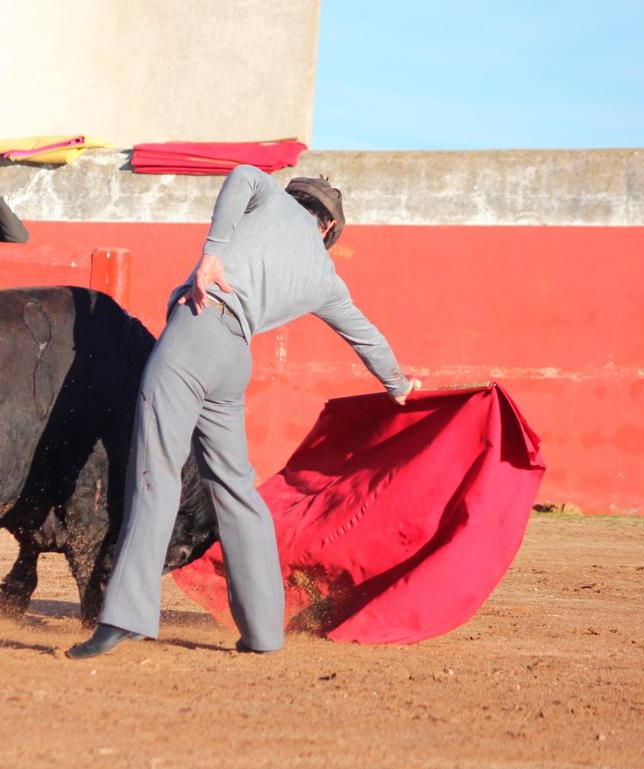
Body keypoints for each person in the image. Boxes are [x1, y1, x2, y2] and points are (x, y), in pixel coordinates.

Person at [66, 165, 416, 659]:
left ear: (300, 201)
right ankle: (264, 632)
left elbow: (246, 174)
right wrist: (398, 385)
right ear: (330, 228)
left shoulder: (273, 200)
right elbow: (366, 335)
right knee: (236, 491)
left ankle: (126, 615)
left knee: (156, 470)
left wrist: (212, 254)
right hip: (234, 361)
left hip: (196, 329)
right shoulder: (325, 277)